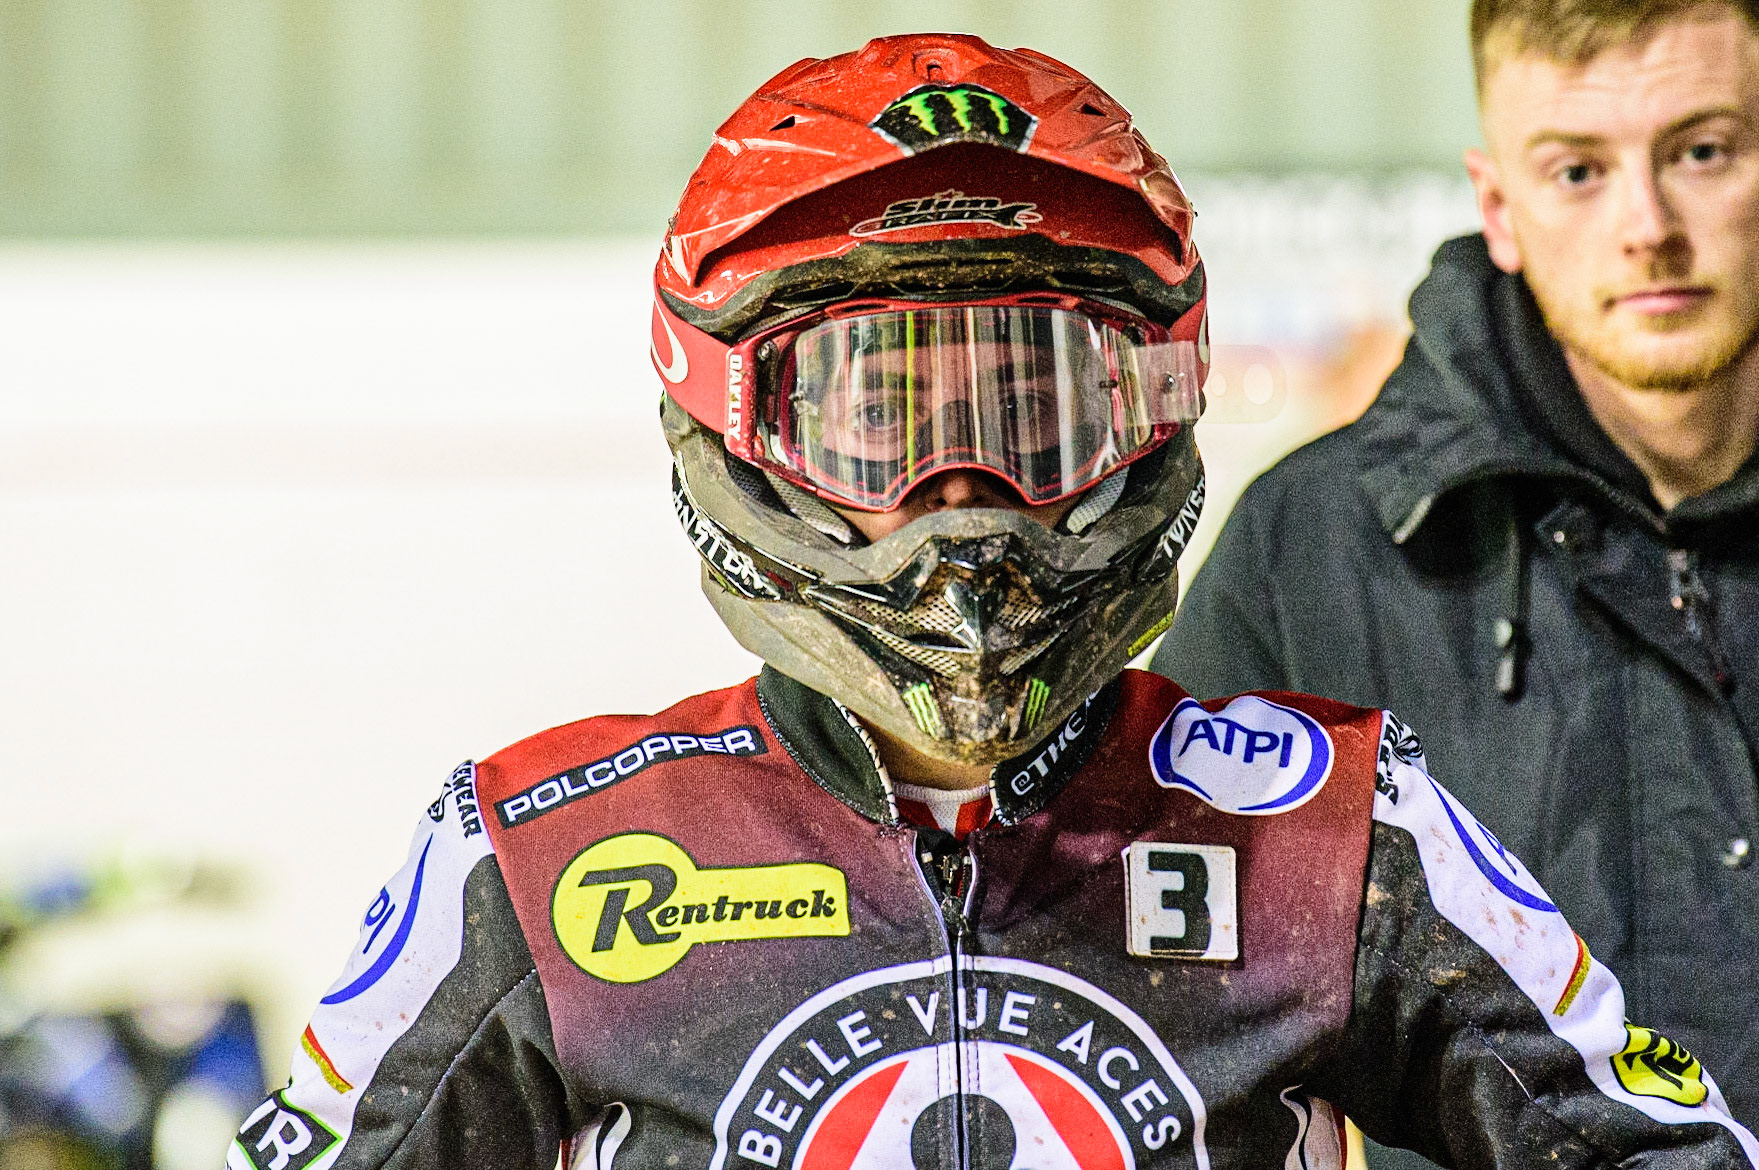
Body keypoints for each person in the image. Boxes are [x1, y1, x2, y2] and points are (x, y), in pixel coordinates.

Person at [228, 33, 1756, 1170]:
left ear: (1151, 402)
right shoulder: (530, 850)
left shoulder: (1334, 824)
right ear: (736, 423)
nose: (961, 491)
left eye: (1033, 406)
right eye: (877, 414)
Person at [1151, 0, 1759, 1165]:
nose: (1647, 227)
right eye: (1576, 170)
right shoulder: (1308, 553)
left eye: (1700, 151)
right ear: (1499, 207)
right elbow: (1171, 1012)